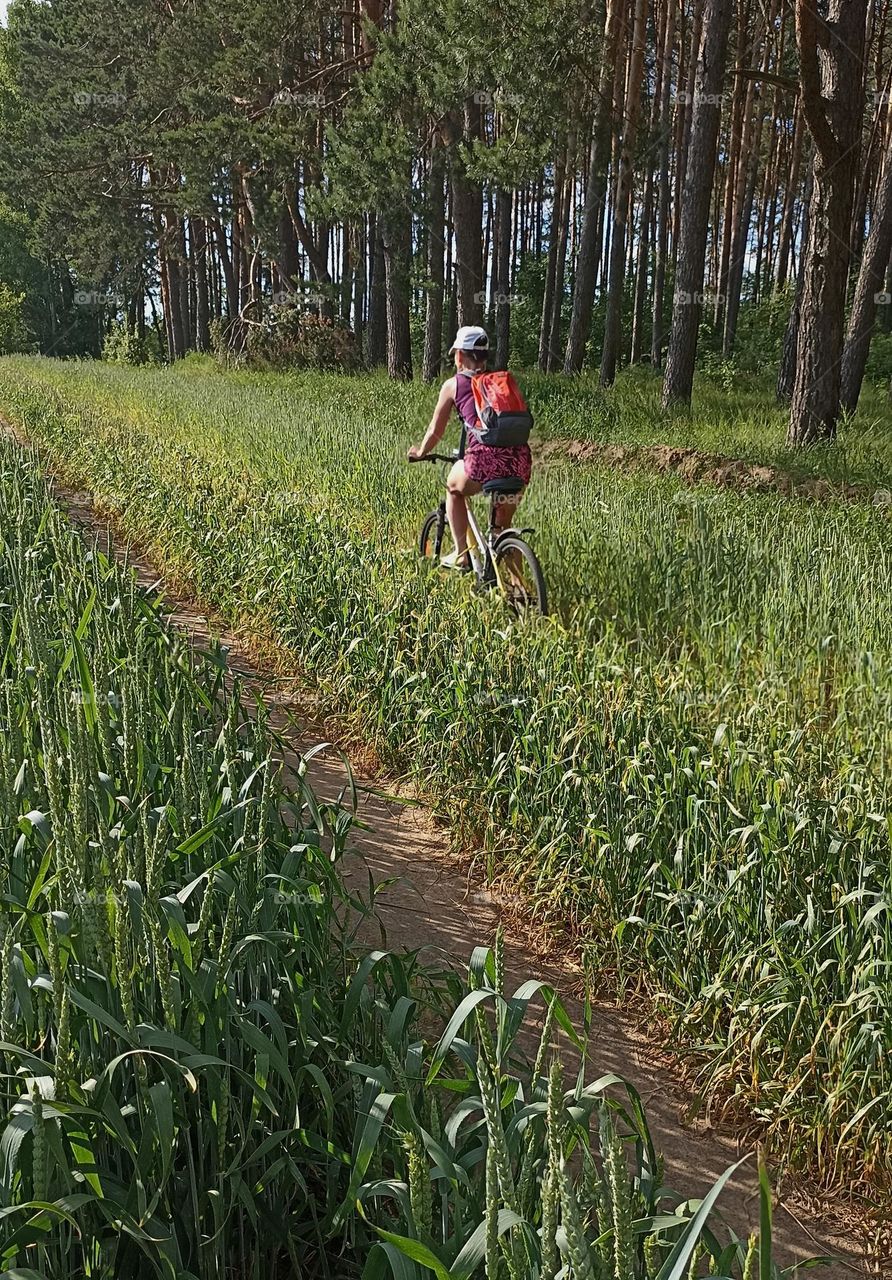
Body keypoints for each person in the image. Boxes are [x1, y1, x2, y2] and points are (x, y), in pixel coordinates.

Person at [407, 325, 532, 567]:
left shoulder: (453, 385)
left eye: (455, 353)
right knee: (502, 529)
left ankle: (462, 554)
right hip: (520, 462)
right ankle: (520, 590)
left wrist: (421, 452)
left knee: (453, 487)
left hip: (484, 461)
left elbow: (435, 430)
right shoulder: (500, 382)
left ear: (461, 355)